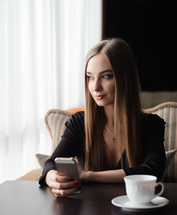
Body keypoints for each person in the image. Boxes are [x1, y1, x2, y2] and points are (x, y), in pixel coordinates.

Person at [39, 38, 166, 197]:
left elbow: (153, 171)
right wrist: (52, 178)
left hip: (135, 213)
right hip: (91, 213)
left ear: (125, 78)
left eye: (106, 76)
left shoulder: (151, 125)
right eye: (90, 77)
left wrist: (88, 175)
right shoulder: (79, 123)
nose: (95, 87)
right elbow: (51, 163)